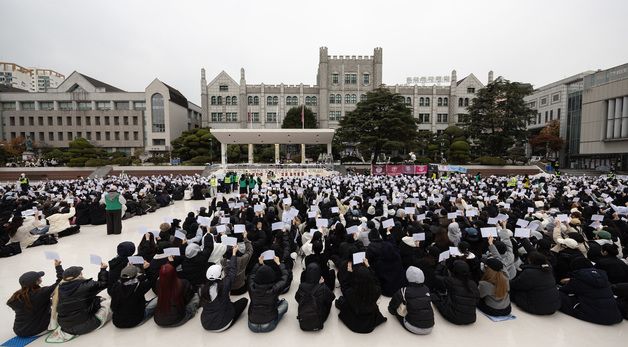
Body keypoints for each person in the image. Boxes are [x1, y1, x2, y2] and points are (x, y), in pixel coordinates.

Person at [48, 263, 111, 340]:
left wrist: (58, 267)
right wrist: (103, 269)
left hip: (66, 327)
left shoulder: (59, 289)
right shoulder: (87, 285)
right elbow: (103, 284)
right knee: (108, 303)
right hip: (85, 325)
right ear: (79, 274)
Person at [7, 260, 64, 337]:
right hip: (36, 330)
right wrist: (58, 266)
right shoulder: (42, 293)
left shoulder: (16, 296)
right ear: (37, 282)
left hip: (19, 330)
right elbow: (60, 282)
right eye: (39, 277)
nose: (41, 277)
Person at [559, 257, 623, 325]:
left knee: (558, 294)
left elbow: (564, 290)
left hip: (596, 316)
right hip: (615, 315)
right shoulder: (602, 276)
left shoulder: (578, 278)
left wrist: (571, 282)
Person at [200, 248, 249, 332]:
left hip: (206, 323)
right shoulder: (224, 285)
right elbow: (232, 271)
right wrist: (234, 254)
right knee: (244, 300)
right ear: (220, 274)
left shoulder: (202, 289)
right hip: (223, 323)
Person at [336, 259, 387, 333]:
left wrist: (349, 273)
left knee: (341, 301)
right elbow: (376, 280)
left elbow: (344, 286)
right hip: (370, 319)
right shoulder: (376, 290)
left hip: (354, 320)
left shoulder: (351, 292)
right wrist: (368, 266)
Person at [509, 251, 560, 315]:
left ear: (530, 260)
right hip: (553, 306)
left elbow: (516, 285)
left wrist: (506, 281)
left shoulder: (529, 272)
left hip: (538, 307)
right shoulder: (548, 269)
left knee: (512, 290)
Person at [247, 256, 289, 333]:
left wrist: (259, 264)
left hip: (252, 324)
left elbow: (252, 274)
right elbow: (285, 277)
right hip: (269, 324)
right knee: (285, 303)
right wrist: (279, 263)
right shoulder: (274, 289)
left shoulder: (251, 286)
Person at [388, 266, 434, 335]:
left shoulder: (404, 290)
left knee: (399, 306)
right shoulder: (426, 289)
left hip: (413, 327)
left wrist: (391, 310)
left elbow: (393, 305)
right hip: (430, 327)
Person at [431, 260, 480, 325]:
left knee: (434, 296)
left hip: (455, 317)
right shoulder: (473, 284)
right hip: (471, 318)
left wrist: (441, 265)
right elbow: (477, 300)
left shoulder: (451, 281)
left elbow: (436, 276)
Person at [109, 263, 157, 328]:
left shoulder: (115, 286)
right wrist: (147, 269)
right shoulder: (139, 287)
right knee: (158, 299)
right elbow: (152, 280)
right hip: (135, 320)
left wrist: (128, 269)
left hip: (117, 322)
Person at [295, 263, 336, 331]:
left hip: (304, 316)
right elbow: (332, 298)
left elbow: (297, 298)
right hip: (319, 316)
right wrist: (322, 284)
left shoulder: (302, 286)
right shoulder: (322, 287)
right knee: (328, 301)